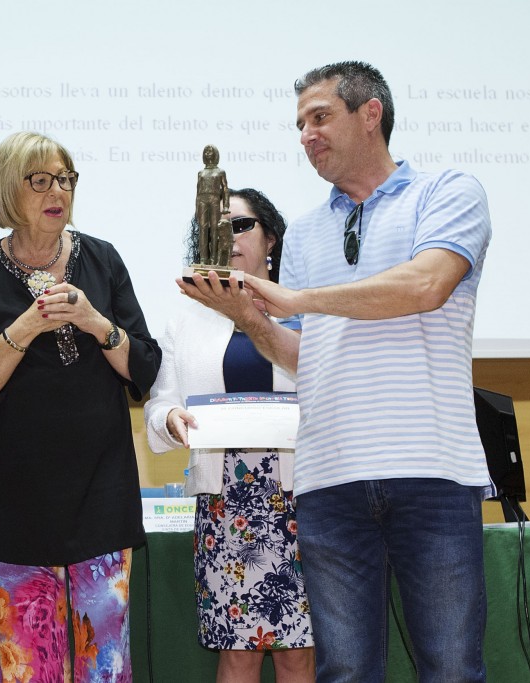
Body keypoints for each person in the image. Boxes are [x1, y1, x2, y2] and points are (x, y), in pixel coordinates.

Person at [179, 61, 492, 682]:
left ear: (370, 114)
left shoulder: (448, 192)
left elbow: (427, 284)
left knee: (452, 669)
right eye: (299, 124)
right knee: (344, 672)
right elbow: (306, 357)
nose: (306, 135)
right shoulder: (309, 233)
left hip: (430, 469)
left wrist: (297, 300)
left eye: (320, 117)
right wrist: (250, 318)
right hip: (328, 481)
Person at [0, 131, 161, 683]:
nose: (56, 191)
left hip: (101, 492)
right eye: (40, 179)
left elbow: (144, 366)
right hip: (20, 499)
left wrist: (94, 321)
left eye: (65, 179)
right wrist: (26, 324)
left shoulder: (103, 259)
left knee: (105, 667)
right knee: (27, 667)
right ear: (6, 189)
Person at [145, 189, 315, 682]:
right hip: (227, 503)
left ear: (271, 239)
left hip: (303, 498)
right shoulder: (186, 320)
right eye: (216, 229)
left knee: (297, 652)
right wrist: (170, 420)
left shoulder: (306, 313)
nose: (229, 237)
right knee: (237, 651)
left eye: (241, 225)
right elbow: (161, 403)